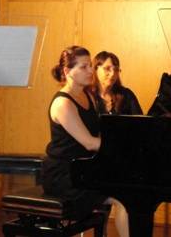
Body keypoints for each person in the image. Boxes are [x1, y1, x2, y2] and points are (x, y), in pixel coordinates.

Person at [42, 46, 129, 236]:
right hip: (65, 174)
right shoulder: (63, 103)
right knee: (123, 199)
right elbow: (89, 142)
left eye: (90, 65)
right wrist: (124, 148)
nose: (90, 71)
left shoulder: (87, 95)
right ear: (67, 72)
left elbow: (99, 134)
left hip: (84, 167)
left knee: (129, 191)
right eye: (84, 67)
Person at [91, 51, 142, 115]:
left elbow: (140, 122)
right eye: (107, 68)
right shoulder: (88, 96)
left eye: (116, 70)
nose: (112, 74)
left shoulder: (126, 95)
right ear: (95, 69)